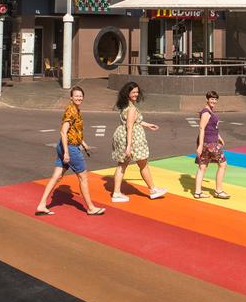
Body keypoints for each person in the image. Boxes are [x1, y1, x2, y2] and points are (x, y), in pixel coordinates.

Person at [35, 85, 105, 216]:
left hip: (66, 146)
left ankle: (42, 204)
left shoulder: (76, 109)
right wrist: (67, 152)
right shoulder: (71, 110)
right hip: (70, 148)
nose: (79, 98)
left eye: (80, 96)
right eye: (76, 96)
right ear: (71, 97)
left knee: (57, 176)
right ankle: (90, 208)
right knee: (83, 176)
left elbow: (74, 131)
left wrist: (83, 143)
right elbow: (63, 132)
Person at [111, 81, 166, 202]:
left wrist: (148, 125)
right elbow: (130, 126)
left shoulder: (126, 106)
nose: (136, 94)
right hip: (132, 139)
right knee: (143, 164)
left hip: (123, 136)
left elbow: (133, 122)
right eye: (133, 92)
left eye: (137, 92)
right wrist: (129, 146)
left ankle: (116, 192)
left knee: (122, 165)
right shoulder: (131, 109)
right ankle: (152, 189)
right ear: (128, 93)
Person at [194, 90, 230, 199]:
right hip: (210, 144)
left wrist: (219, 137)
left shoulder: (210, 111)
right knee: (223, 164)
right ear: (207, 99)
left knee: (202, 167)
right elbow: (201, 128)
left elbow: (212, 127)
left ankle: (198, 192)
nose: (214, 101)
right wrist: (200, 145)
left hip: (210, 142)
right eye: (212, 99)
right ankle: (218, 191)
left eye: (215, 99)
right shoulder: (206, 112)